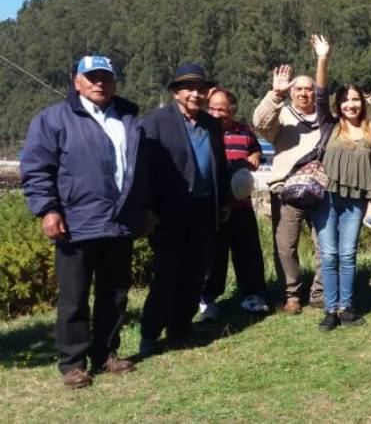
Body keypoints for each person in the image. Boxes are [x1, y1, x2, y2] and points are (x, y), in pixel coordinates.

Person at [21, 55, 147, 388]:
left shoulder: (128, 118)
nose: (99, 83)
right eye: (92, 77)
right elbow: (36, 170)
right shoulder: (52, 120)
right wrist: (47, 209)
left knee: (115, 294)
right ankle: (73, 363)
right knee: (74, 297)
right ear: (76, 81)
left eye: (106, 77)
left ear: (115, 82)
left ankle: (106, 354)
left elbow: (140, 171)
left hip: (120, 223)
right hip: (76, 223)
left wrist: (144, 209)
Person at [140, 63, 229, 354]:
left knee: (195, 274)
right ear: (177, 92)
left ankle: (180, 330)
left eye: (201, 88)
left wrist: (223, 201)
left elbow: (220, 167)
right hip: (169, 212)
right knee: (167, 274)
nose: (195, 93)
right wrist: (148, 209)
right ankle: (150, 334)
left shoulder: (212, 123)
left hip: (204, 209)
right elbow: (145, 171)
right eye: (189, 88)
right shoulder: (156, 122)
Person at [310, 35, 371, 331]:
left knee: (348, 254)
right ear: (339, 105)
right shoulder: (329, 125)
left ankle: (346, 307)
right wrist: (323, 58)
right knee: (328, 254)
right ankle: (330, 310)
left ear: (362, 103)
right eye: (346, 100)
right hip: (326, 198)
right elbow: (319, 94)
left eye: (356, 99)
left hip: (356, 201)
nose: (351, 104)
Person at [252, 61, 326, 313]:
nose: (304, 93)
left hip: (321, 191)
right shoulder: (282, 115)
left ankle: (320, 291)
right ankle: (291, 294)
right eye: (299, 89)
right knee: (285, 246)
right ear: (292, 93)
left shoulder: (325, 118)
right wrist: (276, 94)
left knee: (324, 244)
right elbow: (260, 123)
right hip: (286, 190)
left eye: (308, 89)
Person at [199, 89, 269, 321]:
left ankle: (253, 295)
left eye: (222, 108)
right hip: (213, 208)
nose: (217, 114)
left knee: (248, 252)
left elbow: (256, 150)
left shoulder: (245, 131)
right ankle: (207, 300)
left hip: (241, 207)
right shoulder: (202, 131)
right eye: (213, 108)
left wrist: (256, 157)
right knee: (213, 256)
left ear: (233, 109)